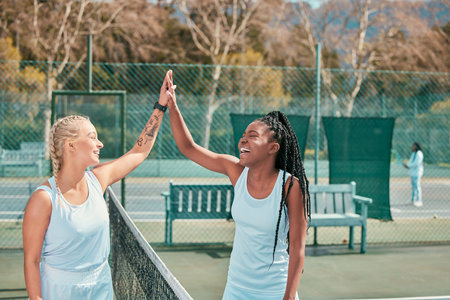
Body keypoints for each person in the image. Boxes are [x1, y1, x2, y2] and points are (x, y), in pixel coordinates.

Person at [22, 70, 173, 300]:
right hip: (59, 290)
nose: (99, 143)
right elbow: (31, 261)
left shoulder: (98, 179)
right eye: (92, 137)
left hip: (101, 285)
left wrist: (161, 106)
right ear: (70, 145)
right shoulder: (44, 199)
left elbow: (139, 152)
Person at [164, 72, 310, 300]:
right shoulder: (235, 171)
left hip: (276, 291)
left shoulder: (290, 186)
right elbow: (189, 148)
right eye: (243, 135)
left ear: (273, 148)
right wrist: (172, 104)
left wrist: (289, 296)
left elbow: (297, 246)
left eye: (252, 136)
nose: (243, 140)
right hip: (236, 289)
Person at [403, 142, 424, 207]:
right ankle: (413, 200)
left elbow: (416, 163)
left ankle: (419, 200)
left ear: (416, 147)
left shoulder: (419, 154)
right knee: (413, 187)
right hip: (412, 172)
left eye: (413, 146)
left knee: (417, 186)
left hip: (417, 173)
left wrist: (409, 166)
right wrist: (407, 165)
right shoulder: (413, 154)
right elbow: (411, 161)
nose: (412, 147)